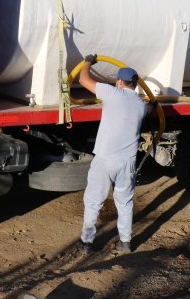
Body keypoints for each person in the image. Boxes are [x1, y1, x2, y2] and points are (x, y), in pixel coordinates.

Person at [77, 54, 146, 255]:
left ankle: (87, 243)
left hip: (105, 159)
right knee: (125, 202)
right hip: (127, 163)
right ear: (134, 84)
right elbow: (148, 109)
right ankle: (125, 243)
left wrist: (88, 61)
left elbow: (83, 80)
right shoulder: (141, 105)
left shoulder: (113, 93)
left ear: (118, 82)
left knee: (93, 201)